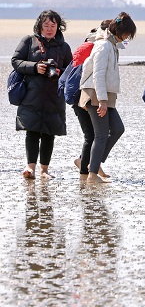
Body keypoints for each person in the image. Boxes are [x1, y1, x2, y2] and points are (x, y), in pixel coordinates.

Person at [11, 10, 72, 180]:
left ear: (59, 27)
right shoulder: (29, 41)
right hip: (31, 94)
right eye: (46, 25)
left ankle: (44, 170)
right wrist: (34, 67)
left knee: (48, 133)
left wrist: (60, 72)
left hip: (54, 96)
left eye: (53, 25)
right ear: (40, 25)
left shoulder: (64, 47)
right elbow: (16, 61)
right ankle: (30, 168)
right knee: (32, 131)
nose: (49, 29)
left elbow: (71, 70)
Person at [78, 11, 136, 183]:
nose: (126, 38)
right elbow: (98, 74)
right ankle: (92, 174)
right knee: (101, 135)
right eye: (126, 35)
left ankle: (89, 162)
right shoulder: (104, 46)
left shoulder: (112, 45)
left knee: (118, 129)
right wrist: (102, 100)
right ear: (119, 31)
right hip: (96, 94)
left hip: (106, 96)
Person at [71, 20, 112, 180]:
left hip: (80, 95)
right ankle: (84, 170)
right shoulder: (94, 47)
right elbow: (92, 75)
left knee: (93, 134)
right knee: (92, 135)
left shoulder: (87, 45)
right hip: (82, 95)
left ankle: (91, 164)